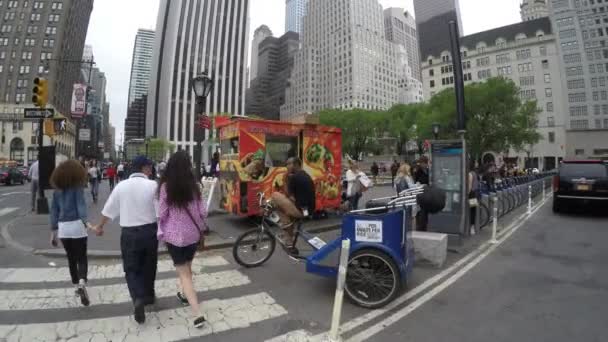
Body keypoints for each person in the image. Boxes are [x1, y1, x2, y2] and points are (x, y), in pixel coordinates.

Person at [93, 156, 159, 324]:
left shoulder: (121, 186)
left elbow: (108, 210)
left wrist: (100, 226)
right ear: (143, 168)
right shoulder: (154, 186)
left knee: (131, 268)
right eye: (150, 167)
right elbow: (161, 211)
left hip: (129, 233)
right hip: (150, 231)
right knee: (149, 265)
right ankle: (148, 295)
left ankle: (137, 297)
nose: (151, 170)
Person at [157, 151, 207, 328]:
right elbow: (203, 212)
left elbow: (162, 213)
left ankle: (197, 312)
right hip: (193, 234)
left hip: (174, 237)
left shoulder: (165, 187)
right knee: (188, 267)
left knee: (184, 274)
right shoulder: (195, 186)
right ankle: (184, 294)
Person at [49, 160, 92, 306]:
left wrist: (53, 233)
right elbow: (81, 206)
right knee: (81, 257)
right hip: (77, 226)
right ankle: (82, 282)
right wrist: (87, 222)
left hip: (63, 228)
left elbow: (54, 212)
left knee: (71, 258)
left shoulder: (57, 192)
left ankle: (75, 285)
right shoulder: (77, 188)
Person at [271, 157, 315, 254]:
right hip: (307, 210)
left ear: (295, 165)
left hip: (301, 211)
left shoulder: (294, 177)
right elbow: (294, 197)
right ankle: (289, 242)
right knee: (283, 209)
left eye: (288, 164)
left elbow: (288, 195)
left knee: (275, 195)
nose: (286, 166)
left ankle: (287, 225)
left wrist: (285, 179)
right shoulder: (305, 175)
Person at [413, 156, 430, 231]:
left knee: (425, 210)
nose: (424, 165)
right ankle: (419, 226)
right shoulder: (418, 171)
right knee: (420, 211)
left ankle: (424, 225)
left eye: (425, 163)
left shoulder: (428, 170)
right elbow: (416, 182)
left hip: (427, 193)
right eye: (422, 163)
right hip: (420, 193)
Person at [468, 160, 480, 236]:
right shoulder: (475, 173)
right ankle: (473, 227)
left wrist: (466, 194)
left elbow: (469, 187)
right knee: (473, 211)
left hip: (471, 194)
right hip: (475, 194)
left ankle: (471, 228)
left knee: (470, 211)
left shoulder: (469, 174)